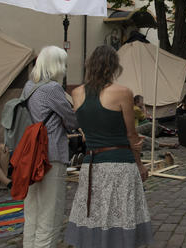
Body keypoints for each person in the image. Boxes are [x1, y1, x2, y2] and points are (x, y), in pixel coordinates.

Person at [65, 45, 153, 248]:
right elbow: (131, 135)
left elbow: (85, 129)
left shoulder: (77, 93)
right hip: (120, 164)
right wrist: (140, 164)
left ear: (90, 65)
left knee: (96, 215)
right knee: (121, 215)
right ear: (114, 66)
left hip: (91, 165)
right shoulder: (123, 92)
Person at [22, 46, 78, 248]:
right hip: (52, 151)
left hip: (33, 152)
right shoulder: (52, 89)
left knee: (33, 210)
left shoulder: (29, 86)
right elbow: (72, 120)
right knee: (50, 211)